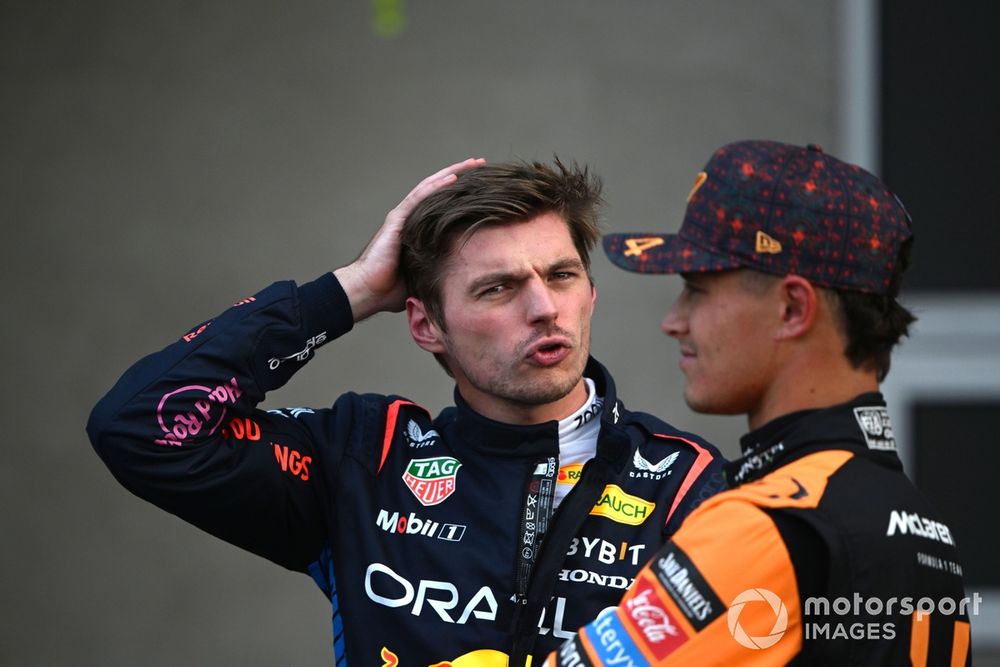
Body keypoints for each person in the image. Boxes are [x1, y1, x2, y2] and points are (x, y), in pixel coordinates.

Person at [87, 158, 725, 666]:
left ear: (590, 293)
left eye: (560, 276)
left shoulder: (686, 483)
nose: (543, 309)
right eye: (498, 287)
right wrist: (353, 291)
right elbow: (140, 425)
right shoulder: (366, 460)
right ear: (426, 325)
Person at [546, 140, 970, 666]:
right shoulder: (915, 520)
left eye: (696, 289)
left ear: (792, 308)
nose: (673, 320)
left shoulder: (767, 523)